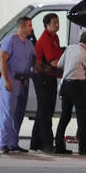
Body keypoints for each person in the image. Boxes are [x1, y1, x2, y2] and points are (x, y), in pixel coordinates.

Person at [0, 17, 36, 153]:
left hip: (23, 81)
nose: (31, 28)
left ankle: (14, 142)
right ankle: (4, 143)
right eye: (29, 25)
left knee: (18, 114)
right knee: (8, 112)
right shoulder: (10, 40)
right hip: (11, 81)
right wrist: (6, 80)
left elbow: (33, 61)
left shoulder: (28, 44)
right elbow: (2, 58)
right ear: (22, 26)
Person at [30, 13, 62, 152]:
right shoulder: (46, 40)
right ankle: (46, 144)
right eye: (54, 22)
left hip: (49, 75)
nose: (57, 24)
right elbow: (53, 61)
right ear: (47, 25)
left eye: (57, 22)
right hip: (43, 76)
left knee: (43, 110)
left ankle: (35, 143)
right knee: (46, 110)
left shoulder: (54, 37)